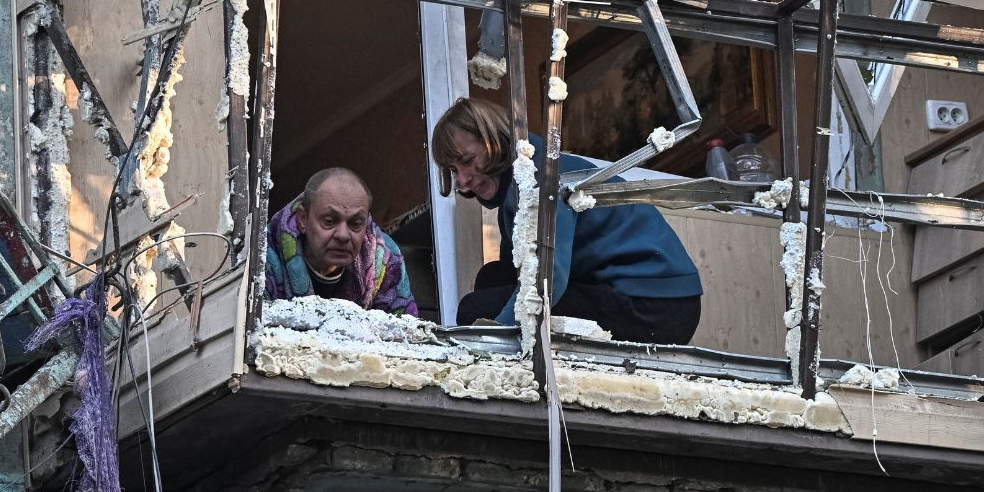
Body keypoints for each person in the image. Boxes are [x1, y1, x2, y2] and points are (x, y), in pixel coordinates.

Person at [431, 97, 701, 344]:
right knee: (493, 278)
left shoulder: (543, 180)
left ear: (497, 140)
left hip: (657, 307)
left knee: (475, 310)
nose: (463, 179)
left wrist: (493, 338)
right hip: (639, 296)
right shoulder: (516, 197)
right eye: (454, 170)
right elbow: (515, 276)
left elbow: (545, 282)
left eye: (467, 161)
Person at [265, 167, 419, 316]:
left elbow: (405, 331)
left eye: (355, 224)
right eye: (330, 221)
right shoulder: (264, 260)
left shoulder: (385, 260)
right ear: (303, 220)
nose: (343, 235)